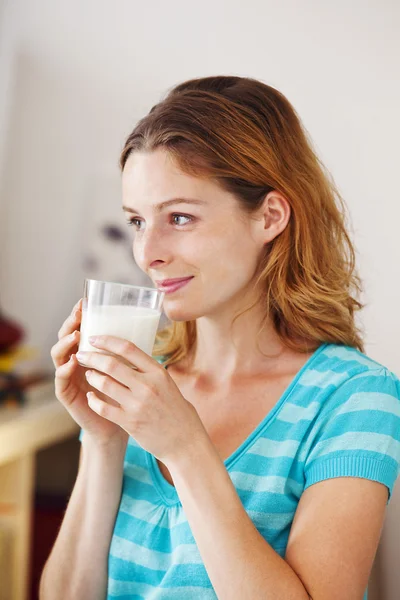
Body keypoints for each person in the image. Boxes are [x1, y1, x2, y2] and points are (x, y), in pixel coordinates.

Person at [40, 76, 400, 600]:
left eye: (180, 218)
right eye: (138, 221)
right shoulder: (140, 386)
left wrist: (187, 449)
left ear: (270, 217)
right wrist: (103, 440)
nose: (148, 253)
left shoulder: (353, 399)